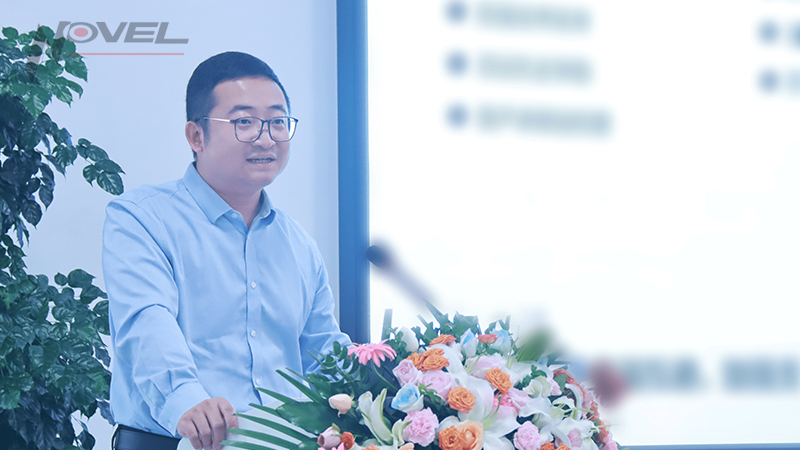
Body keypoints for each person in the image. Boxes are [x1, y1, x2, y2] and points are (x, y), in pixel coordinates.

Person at [103, 51, 350, 450]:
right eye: (245, 122)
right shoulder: (141, 218)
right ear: (196, 136)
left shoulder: (299, 243)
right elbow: (146, 321)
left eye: (278, 122)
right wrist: (187, 399)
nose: (266, 138)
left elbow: (323, 351)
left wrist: (400, 383)